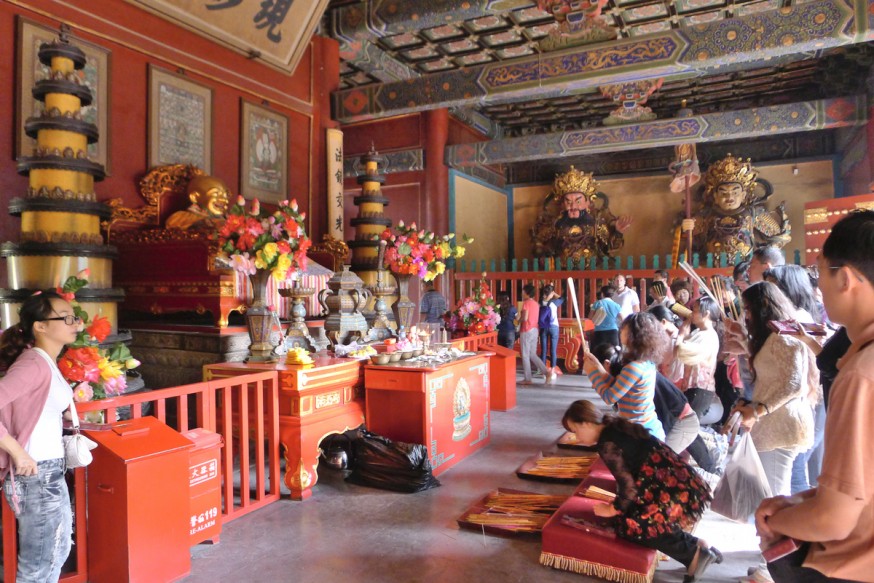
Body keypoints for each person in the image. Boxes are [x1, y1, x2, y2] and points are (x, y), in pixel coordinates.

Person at [756, 210, 874, 583]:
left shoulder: (861, 374)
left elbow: (833, 519)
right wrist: (801, 500)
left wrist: (776, 518)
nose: (817, 284)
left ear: (845, 278)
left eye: (820, 272)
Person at [561, 400, 720, 583]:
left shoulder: (606, 443)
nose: (577, 438)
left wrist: (611, 509)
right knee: (634, 517)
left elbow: (628, 487)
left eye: (575, 431)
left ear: (586, 423)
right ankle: (698, 545)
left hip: (670, 489)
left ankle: (692, 555)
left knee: (633, 527)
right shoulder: (613, 425)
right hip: (676, 481)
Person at [0, 291, 82, 582]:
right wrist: (17, 451)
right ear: (41, 326)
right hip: (35, 474)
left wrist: (62, 414)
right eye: (66, 317)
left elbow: (31, 407)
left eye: (75, 317)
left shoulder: (45, 361)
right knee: (39, 566)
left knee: (56, 553)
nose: (76, 323)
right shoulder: (34, 363)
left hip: (47, 471)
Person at [729, 282, 817, 497]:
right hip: (772, 422)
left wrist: (758, 410)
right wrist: (741, 338)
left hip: (782, 424)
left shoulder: (784, 337)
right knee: (769, 496)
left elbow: (794, 384)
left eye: (749, 309)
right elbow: (768, 364)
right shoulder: (772, 337)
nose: (747, 315)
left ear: (763, 307)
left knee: (775, 497)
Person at [583, 312, 666, 440]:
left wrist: (591, 373)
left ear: (635, 334)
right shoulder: (645, 362)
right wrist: (598, 367)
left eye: (624, 328)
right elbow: (620, 387)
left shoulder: (634, 367)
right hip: (644, 428)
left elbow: (610, 397)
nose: (621, 330)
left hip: (641, 432)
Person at [676, 297, 724, 426]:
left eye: (695, 310)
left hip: (699, 388)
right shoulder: (699, 332)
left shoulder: (707, 336)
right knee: (686, 428)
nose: (692, 314)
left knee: (687, 429)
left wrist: (681, 336)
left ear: (706, 313)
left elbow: (683, 353)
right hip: (693, 387)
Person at [165, 175, 230, 230]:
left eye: (225, 195)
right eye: (215, 194)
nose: (224, 200)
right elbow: (171, 224)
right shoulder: (180, 217)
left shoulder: (229, 218)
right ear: (195, 197)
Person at [518, 284, 550, 385]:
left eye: (523, 291)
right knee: (532, 354)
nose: (522, 293)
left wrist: (518, 319)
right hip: (535, 330)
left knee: (525, 355)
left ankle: (528, 379)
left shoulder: (526, 303)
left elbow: (525, 318)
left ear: (526, 293)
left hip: (526, 330)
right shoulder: (536, 304)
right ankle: (546, 372)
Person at [538, 284, 563, 381]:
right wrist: (553, 294)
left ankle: (543, 371)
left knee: (543, 350)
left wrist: (548, 295)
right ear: (551, 293)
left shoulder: (541, 303)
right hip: (554, 327)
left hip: (543, 327)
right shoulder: (554, 303)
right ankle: (552, 370)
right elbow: (562, 298)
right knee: (553, 350)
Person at [590, 284, 621, 348]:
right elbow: (622, 318)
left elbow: (590, 317)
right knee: (614, 352)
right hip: (613, 331)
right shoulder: (617, 305)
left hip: (599, 331)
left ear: (602, 294)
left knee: (599, 352)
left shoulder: (597, 303)